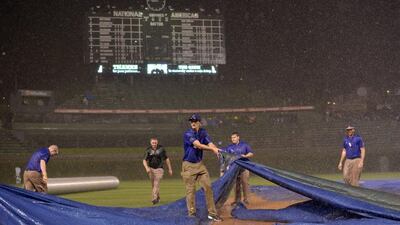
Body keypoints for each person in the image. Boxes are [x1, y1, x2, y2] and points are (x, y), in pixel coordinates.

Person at [181, 113, 223, 222]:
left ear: (199, 122)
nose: (193, 123)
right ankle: (192, 214)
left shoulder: (203, 132)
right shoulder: (188, 133)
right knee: (191, 191)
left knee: (208, 187)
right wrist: (213, 150)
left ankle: (212, 214)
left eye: (195, 121)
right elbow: (198, 145)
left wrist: (216, 150)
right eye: (191, 121)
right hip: (188, 165)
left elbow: (210, 143)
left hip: (200, 165)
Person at [221, 132, 254, 206]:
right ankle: (237, 200)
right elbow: (225, 155)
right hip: (234, 168)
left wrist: (245, 156)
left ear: (238, 137)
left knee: (245, 183)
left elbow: (251, 153)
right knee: (236, 184)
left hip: (244, 167)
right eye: (232, 138)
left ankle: (246, 200)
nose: (233, 139)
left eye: (234, 137)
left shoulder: (244, 145)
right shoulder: (229, 147)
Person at [142, 137, 173, 205]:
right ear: (151, 143)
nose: (154, 144)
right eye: (153, 143)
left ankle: (154, 198)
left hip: (159, 169)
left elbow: (167, 159)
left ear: (157, 142)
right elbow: (144, 160)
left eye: (155, 142)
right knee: (154, 185)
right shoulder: (148, 150)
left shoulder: (161, 149)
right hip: (151, 169)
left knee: (156, 183)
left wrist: (170, 169)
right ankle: (158, 197)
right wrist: (147, 168)